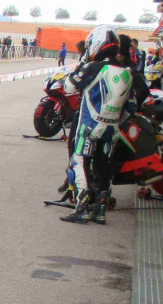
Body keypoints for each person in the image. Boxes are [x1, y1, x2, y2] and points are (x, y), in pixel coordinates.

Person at [60, 26, 148, 225]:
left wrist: (81, 65)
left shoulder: (93, 68)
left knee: (79, 161)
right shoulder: (127, 72)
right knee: (103, 164)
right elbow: (131, 106)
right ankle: (100, 210)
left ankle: (81, 209)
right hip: (112, 128)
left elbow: (69, 86)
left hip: (89, 125)